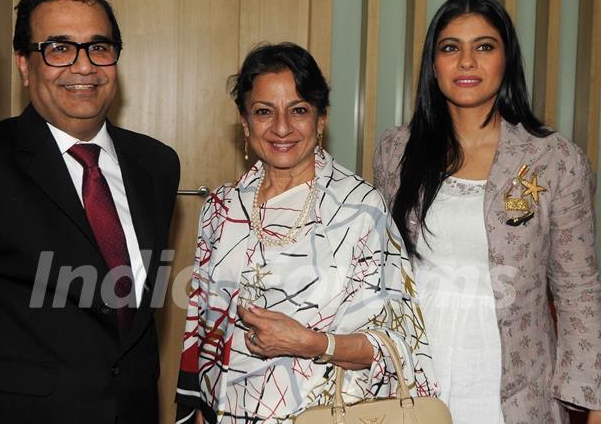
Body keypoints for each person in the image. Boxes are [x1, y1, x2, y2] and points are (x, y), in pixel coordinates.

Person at [0, 0, 179, 424]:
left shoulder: (157, 164)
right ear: (24, 64)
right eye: (59, 48)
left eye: (99, 47)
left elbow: (133, 312)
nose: (83, 67)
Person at [374, 0, 601, 424]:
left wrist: (600, 403)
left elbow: (578, 290)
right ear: (433, 64)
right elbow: (378, 267)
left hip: (512, 385)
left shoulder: (554, 160)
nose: (467, 61)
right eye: (451, 47)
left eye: (484, 46)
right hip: (412, 373)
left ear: (506, 60)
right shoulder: (397, 150)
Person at [175, 43, 437, 424]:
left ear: (321, 119)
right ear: (245, 123)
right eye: (264, 111)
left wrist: (311, 343)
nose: (282, 127)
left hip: (322, 414)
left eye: (298, 110)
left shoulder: (359, 210)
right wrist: (200, 409)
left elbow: (400, 345)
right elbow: (201, 329)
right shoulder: (222, 206)